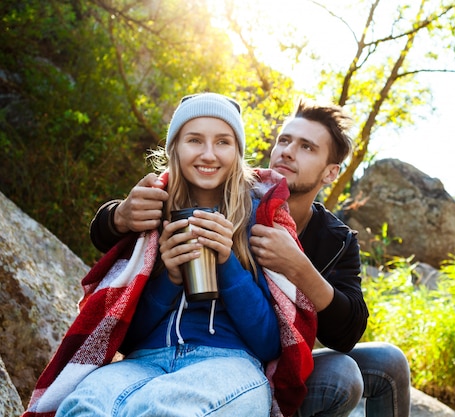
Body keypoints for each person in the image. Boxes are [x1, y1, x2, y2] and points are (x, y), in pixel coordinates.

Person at [89, 97, 412, 417]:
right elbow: (120, 232)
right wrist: (118, 216)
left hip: (258, 357)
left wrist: (299, 268)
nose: (287, 150)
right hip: (170, 353)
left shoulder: (336, 240)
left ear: (331, 173)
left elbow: (346, 333)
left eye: (306, 147)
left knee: (383, 362)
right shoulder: (239, 197)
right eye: (284, 140)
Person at [50, 92, 295, 416]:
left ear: (237, 152)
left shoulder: (260, 218)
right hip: (144, 361)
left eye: (223, 142)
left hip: (228, 362)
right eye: (195, 140)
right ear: (174, 148)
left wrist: (227, 263)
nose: (209, 154)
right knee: (82, 406)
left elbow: (270, 344)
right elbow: (127, 339)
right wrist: (170, 276)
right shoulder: (151, 212)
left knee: (163, 409)